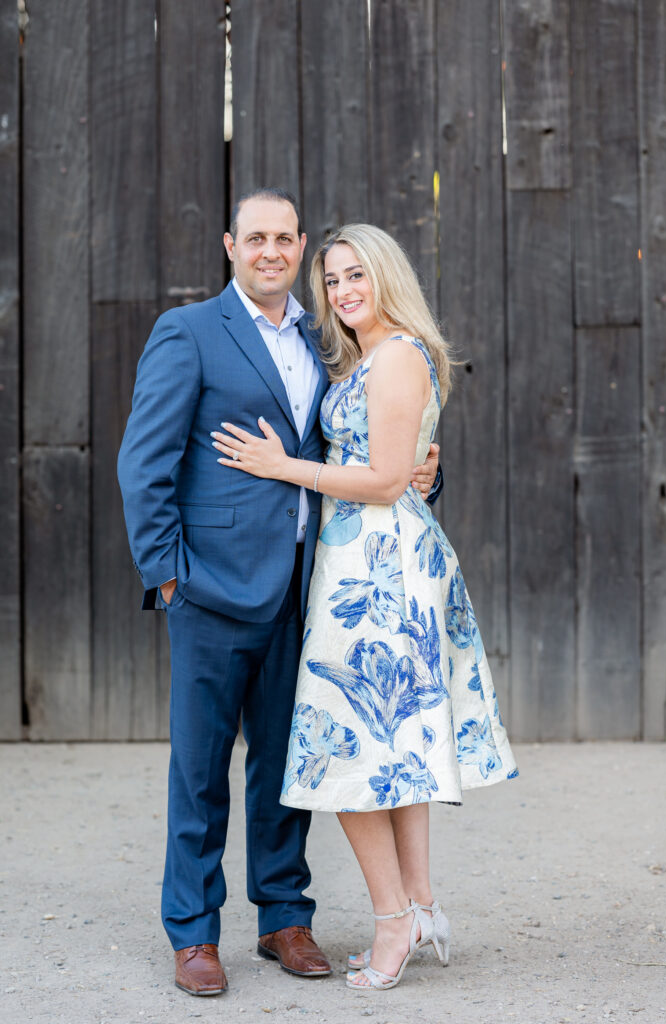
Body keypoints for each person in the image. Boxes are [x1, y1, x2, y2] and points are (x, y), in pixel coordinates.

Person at [117, 190, 440, 996]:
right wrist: (167, 573)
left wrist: (424, 477)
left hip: (308, 591)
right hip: (210, 588)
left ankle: (284, 918)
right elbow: (143, 463)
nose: (270, 250)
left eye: (284, 238)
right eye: (254, 236)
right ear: (231, 244)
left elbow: (373, 444)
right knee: (198, 770)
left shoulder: (327, 341)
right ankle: (193, 933)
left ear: (299, 247)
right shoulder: (188, 332)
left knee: (283, 768)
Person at [210, 223, 518, 991]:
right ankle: (417, 905)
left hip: (383, 572)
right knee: (391, 752)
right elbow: (397, 464)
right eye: (334, 281)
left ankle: (391, 919)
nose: (344, 292)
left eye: (357, 276)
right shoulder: (367, 359)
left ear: (386, 277)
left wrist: (287, 466)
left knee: (345, 749)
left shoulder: (399, 355)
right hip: (358, 566)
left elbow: (383, 479)